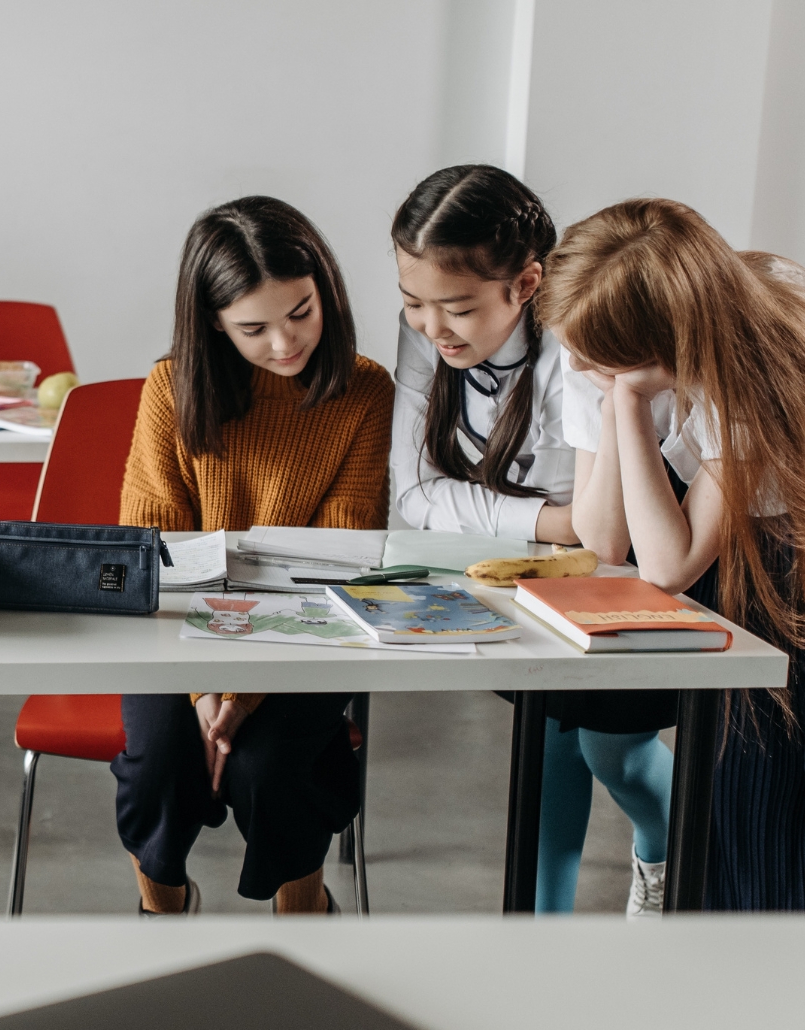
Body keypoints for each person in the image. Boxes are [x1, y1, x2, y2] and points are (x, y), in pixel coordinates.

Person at [391, 163, 680, 916]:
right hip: (532, 577)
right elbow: (415, 497)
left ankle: (668, 857)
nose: (430, 327)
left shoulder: (580, 343)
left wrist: (553, 521)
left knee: (612, 752)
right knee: (549, 750)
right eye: (412, 302)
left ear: (525, 285)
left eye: (454, 307)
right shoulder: (430, 336)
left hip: (639, 563)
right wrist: (552, 521)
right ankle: (539, 932)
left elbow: (608, 533)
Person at [115, 195, 393, 914]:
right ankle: (160, 902)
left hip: (310, 628)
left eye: (301, 312)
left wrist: (241, 695)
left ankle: (303, 906)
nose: (284, 342)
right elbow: (155, 554)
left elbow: (337, 557)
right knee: (162, 773)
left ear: (323, 288)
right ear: (212, 322)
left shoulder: (364, 392)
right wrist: (208, 690)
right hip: (174, 634)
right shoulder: (170, 390)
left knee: (271, 770)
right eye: (253, 327)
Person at [542, 199, 805, 912]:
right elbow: (603, 542)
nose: (575, 365)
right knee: (719, 800)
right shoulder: (607, 339)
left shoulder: (749, 363)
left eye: (595, 360)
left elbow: (668, 565)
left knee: (761, 807)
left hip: (782, 574)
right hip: (740, 561)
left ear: (662, 347)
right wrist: (615, 396)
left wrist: (625, 404)